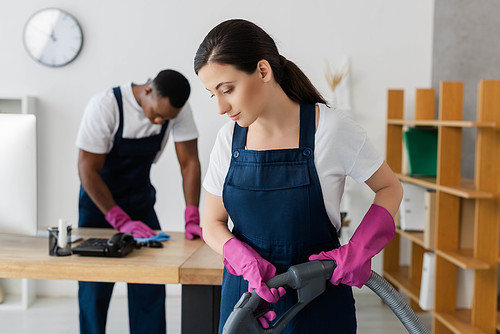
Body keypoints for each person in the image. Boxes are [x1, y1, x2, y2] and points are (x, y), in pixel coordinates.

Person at [194, 19, 403, 333]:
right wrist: (242, 258)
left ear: (263, 71)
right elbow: (211, 222)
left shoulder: (331, 129)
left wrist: (357, 250)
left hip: (319, 296)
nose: (222, 107)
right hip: (249, 298)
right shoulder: (228, 140)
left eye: (228, 90)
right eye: (213, 95)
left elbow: (389, 187)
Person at [76, 69, 203, 334]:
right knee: (94, 289)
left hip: (140, 201)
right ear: (147, 91)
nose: (158, 122)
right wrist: (118, 219)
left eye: (165, 119)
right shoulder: (106, 105)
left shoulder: (175, 110)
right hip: (99, 207)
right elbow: (87, 169)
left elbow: (189, 162)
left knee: (150, 283)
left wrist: (192, 213)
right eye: (155, 114)